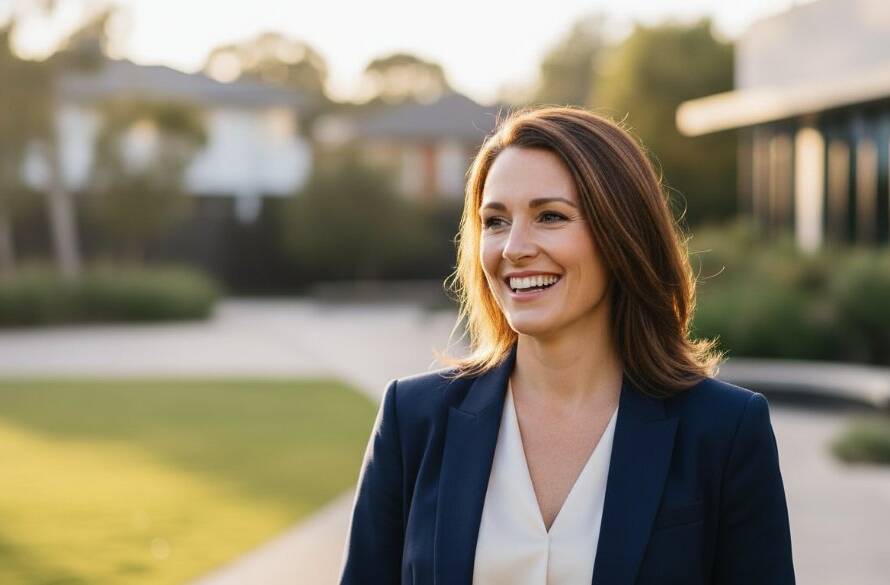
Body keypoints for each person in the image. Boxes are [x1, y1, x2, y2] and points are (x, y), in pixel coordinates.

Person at [338, 106, 795, 585]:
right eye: (495, 221)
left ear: (621, 233)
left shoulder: (724, 430)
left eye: (550, 216)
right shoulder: (412, 420)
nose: (514, 247)